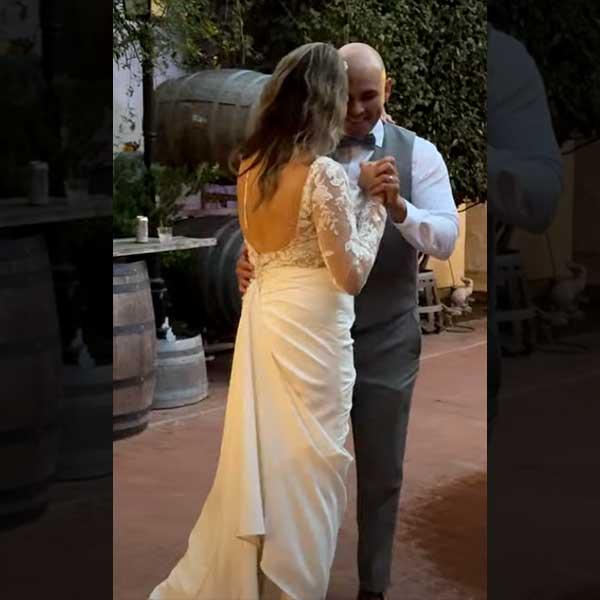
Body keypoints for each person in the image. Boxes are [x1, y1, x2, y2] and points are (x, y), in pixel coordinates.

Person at [149, 42, 397, 600]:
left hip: (267, 321)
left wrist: (355, 197)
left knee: (269, 458)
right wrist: (376, 204)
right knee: (310, 470)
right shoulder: (322, 174)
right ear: (326, 101)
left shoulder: (251, 166)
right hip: (314, 335)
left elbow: (265, 250)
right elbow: (350, 274)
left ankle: (265, 579)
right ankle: (294, 586)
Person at [237, 42, 459, 600]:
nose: (357, 110)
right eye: (347, 97)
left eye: (369, 96)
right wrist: (253, 259)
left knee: (381, 470)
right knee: (297, 467)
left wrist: (399, 207)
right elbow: (278, 228)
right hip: (307, 342)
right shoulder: (302, 154)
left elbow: (446, 236)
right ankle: (294, 575)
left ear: (387, 91)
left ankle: (372, 586)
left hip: (385, 336)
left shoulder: (419, 153)